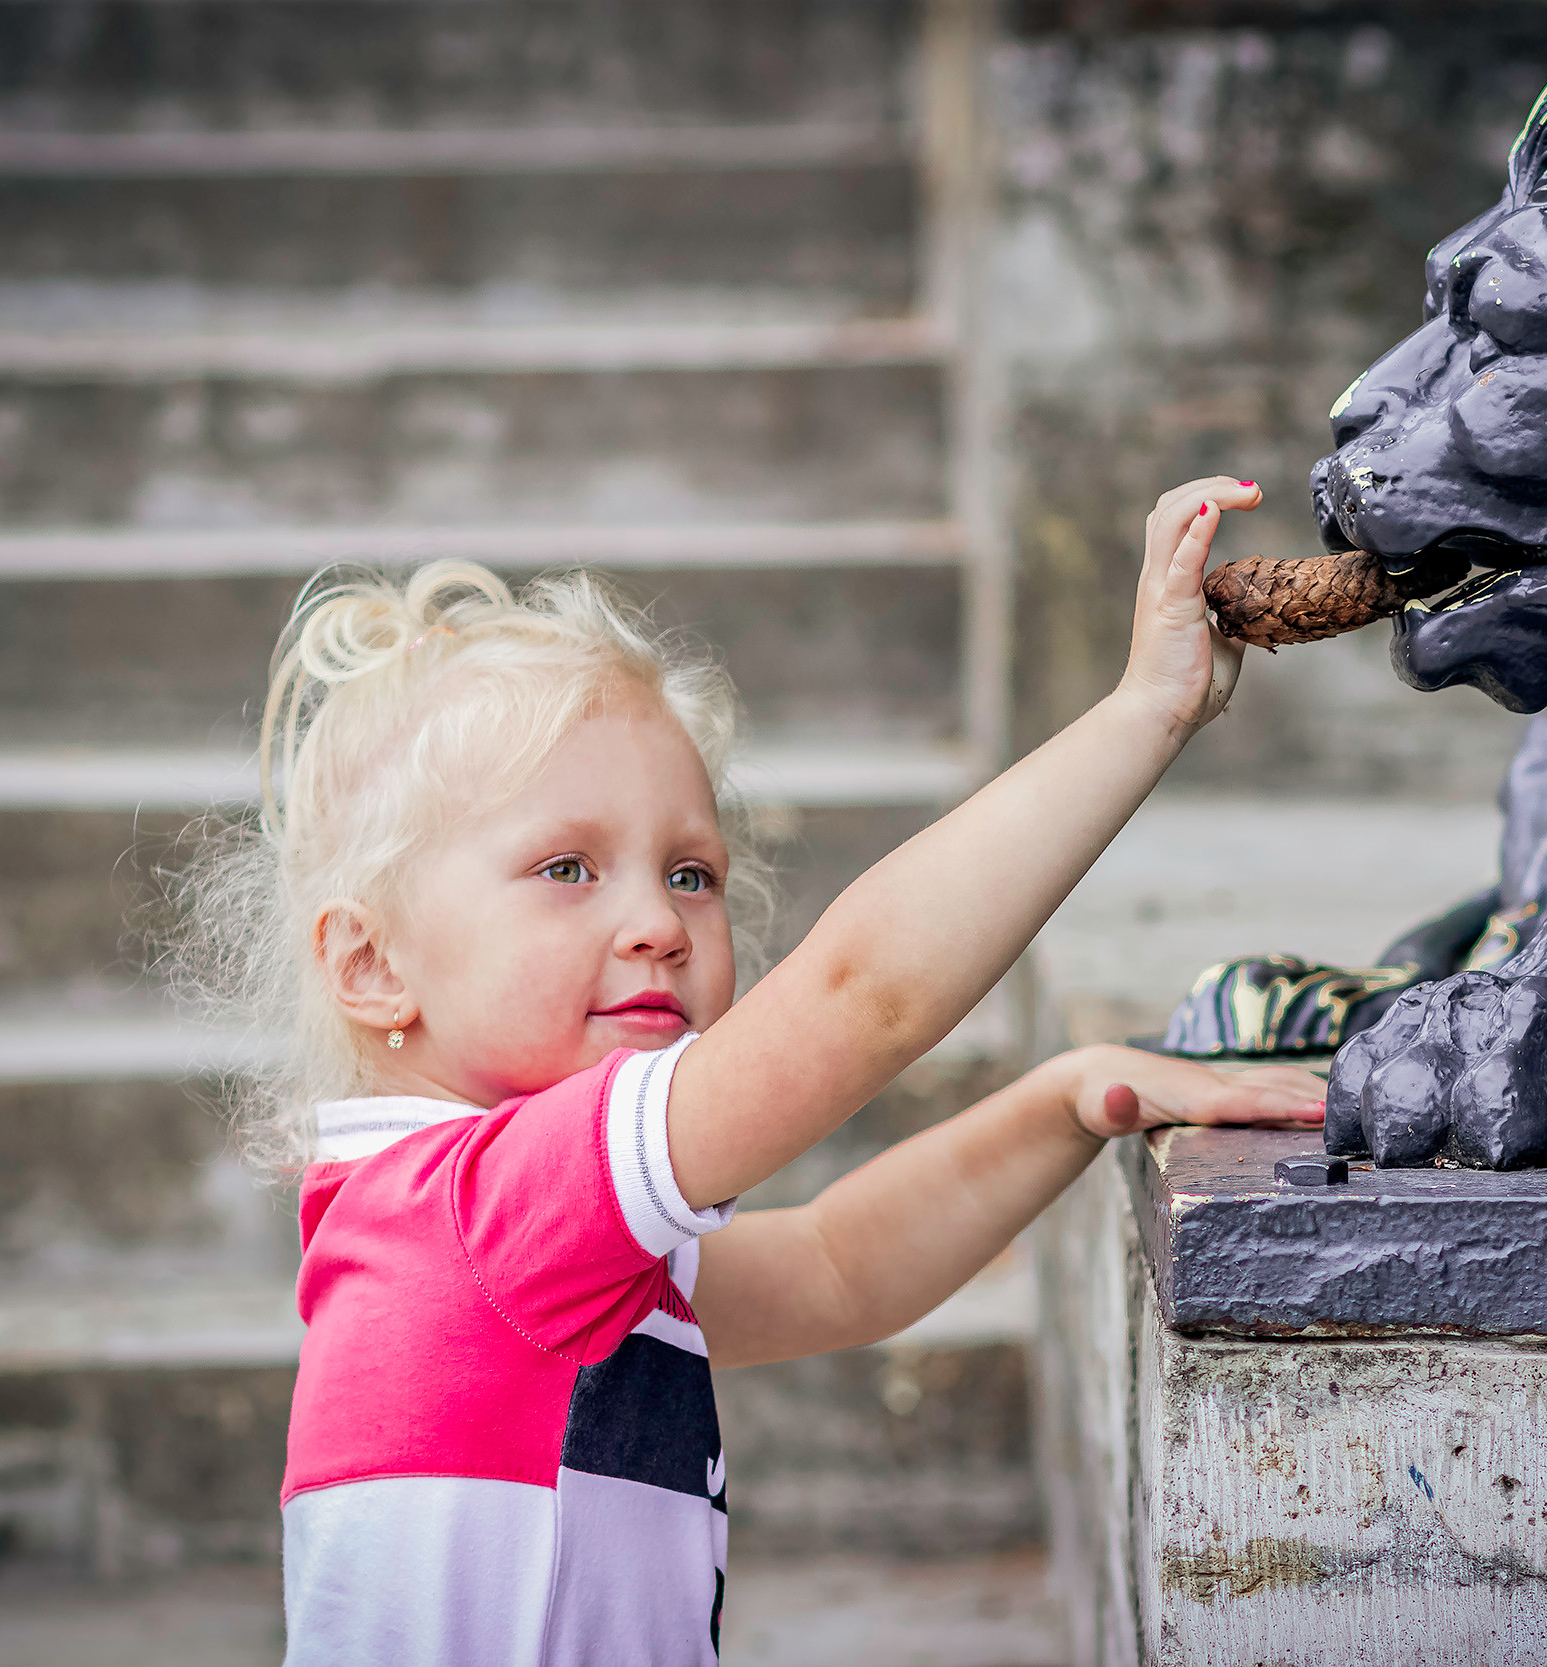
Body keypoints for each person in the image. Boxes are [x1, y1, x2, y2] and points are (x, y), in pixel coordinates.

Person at [172, 476, 1322, 1665]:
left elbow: (836, 1266)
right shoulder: (478, 1211)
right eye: (567, 868)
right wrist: (1147, 707)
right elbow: (864, 998)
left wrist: (1063, 1096)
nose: (658, 925)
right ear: (370, 963)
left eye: (690, 872)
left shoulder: (513, 1244)